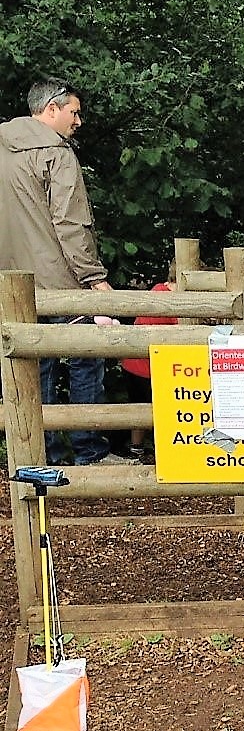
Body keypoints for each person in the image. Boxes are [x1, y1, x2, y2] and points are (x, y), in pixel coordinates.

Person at [0, 77, 133, 465]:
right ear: (51, 109)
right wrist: (94, 278)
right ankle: (90, 451)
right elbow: (71, 222)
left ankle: (42, 454)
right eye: (74, 112)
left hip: (13, 285)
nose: (79, 121)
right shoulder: (56, 154)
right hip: (61, 281)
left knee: (32, 366)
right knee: (85, 359)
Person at [119, 265, 178, 463]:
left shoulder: (157, 290)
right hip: (152, 367)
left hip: (132, 362)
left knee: (140, 407)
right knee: (164, 409)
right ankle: (167, 451)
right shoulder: (176, 301)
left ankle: (136, 449)